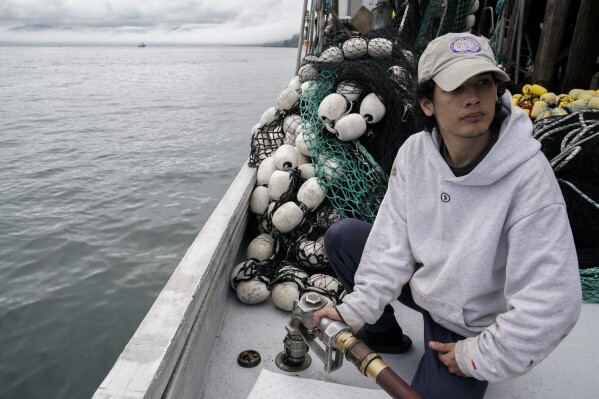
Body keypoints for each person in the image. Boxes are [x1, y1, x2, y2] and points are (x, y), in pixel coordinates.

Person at [312, 32, 582, 399]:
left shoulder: (529, 178)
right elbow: (392, 244)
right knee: (344, 237)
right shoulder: (414, 154)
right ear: (426, 103)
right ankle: (384, 334)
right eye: (456, 87)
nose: (474, 98)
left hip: (468, 321)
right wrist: (354, 311)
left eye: (484, 83)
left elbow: (553, 302)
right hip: (424, 284)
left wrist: (478, 355)